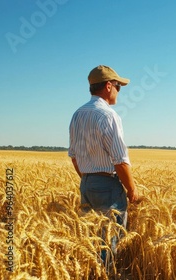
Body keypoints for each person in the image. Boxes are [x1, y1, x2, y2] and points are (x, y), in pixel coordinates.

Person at [68, 65, 141, 262]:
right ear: (109, 86)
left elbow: (74, 157)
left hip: (86, 184)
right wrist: (132, 190)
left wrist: (89, 179)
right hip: (108, 187)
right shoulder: (108, 115)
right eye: (119, 86)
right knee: (108, 243)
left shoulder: (77, 114)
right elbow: (120, 160)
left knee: (90, 240)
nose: (119, 91)